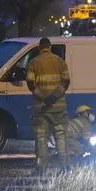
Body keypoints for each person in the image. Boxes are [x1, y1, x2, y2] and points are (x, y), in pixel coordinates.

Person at [27, 37, 70, 174]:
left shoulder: (34, 62)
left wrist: (43, 98)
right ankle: (64, 167)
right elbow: (66, 81)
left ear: (40, 48)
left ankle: (42, 167)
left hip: (41, 108)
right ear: (50, 47)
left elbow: (30, 83)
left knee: (41, 138)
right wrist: (54, 97)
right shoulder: (60, 61)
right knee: (61, 137)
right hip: (58, 107)